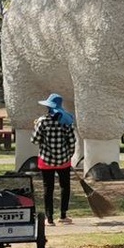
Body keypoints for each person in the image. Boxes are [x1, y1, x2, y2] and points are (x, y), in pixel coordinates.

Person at [31, 92, 76, 225]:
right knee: (65, 187)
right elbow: (72, 141)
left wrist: (36, 127)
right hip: (63, 160)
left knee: (48, 188)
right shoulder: (66, 121)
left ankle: (49, 218)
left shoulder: (42, 121)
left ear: (49, 107)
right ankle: (63, 215)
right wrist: (69, 154)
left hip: (46, 160)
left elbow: (34, 140)